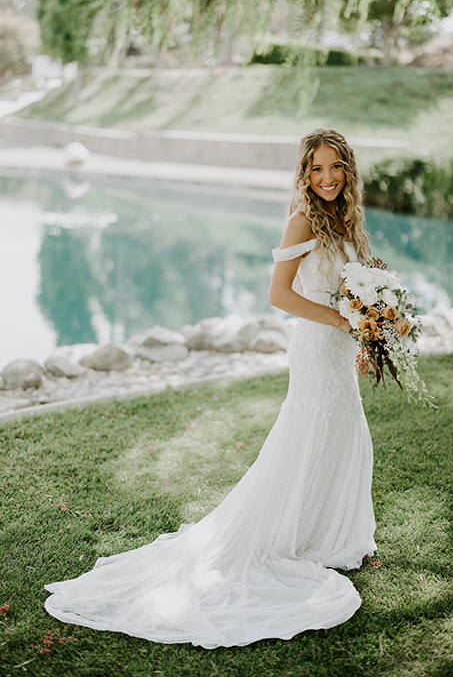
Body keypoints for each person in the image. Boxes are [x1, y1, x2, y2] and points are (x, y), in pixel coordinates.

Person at [44, 128, 376, 649]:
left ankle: (322, 532)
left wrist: (371, 324)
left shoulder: (349, 223)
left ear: (348, 170)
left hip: (338, 348)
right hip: (315, 347)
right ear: (304, 174)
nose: (327, 178)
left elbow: (359, 286)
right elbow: (279, 295)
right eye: (316, 169)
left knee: (342, 434)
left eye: (335, 167)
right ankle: (286, 534)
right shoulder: (302, 220)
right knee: (307, 434)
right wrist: (339, 321)